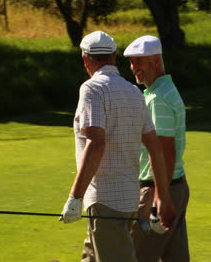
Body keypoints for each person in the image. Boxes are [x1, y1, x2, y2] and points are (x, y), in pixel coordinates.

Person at [59, 31, 175, 262]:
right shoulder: (134, 92)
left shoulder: (92, 89)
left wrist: (75, 197)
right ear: (113, 56)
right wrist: (161, 196)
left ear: (85, 58)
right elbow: (155, 147)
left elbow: (96, 142)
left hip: (105, 201)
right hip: (128, 199)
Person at [124, 35, 190, 262]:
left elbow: (164, 150)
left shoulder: (158, 98)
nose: (134, 69)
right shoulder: (164, 91)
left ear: (155, 61)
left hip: (158, 189)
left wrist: (159, 198)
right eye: (131, 63)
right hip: (174, 187)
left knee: (135, 256)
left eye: (139, 62)